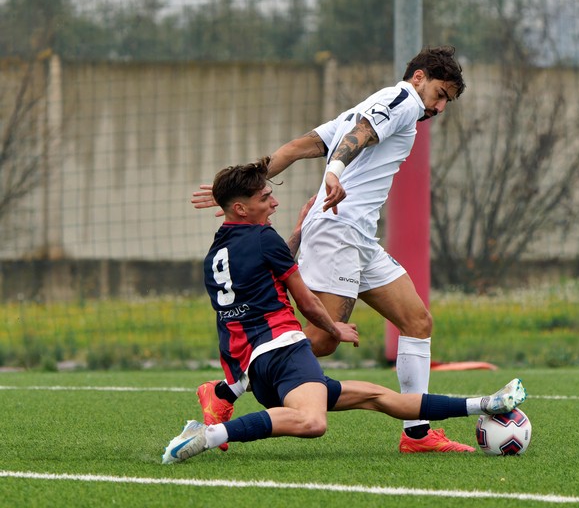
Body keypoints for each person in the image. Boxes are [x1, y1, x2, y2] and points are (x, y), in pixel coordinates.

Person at [192, 46, 488, 453]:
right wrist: (334, 173)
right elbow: (359, 135)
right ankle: (226, 390)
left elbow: (300, 146)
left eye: (446, 102)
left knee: (418, 322)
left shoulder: (373, 105)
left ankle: (417, 434)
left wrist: (239, 186)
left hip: (360, 237)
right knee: (324, 338)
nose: (438, 107)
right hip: (338, 231)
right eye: (440, 94)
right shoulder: (402, 100)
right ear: (419, 77)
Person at [163, 162, 527, 464]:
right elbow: (306, 301)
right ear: (241, 208)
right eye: (264, 197)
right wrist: (334, 329)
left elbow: (264, 271)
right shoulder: (263, 239)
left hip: (258, 368)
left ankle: (487, 403)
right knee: (312, 422)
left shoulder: (216, 254)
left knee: (379, 398)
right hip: (286, 351)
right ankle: (209, 434)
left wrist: (297, 231)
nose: (274, 201)